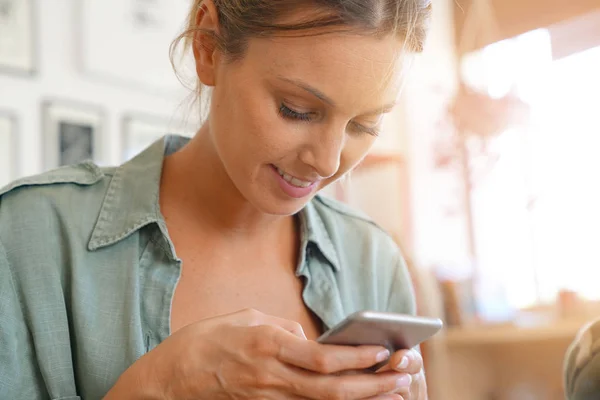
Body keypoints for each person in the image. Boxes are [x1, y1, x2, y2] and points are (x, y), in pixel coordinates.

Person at [0, 0, 432, 398]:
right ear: (208, 46)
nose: (327, 161)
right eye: (296, 109)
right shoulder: (28, 238)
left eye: (365, 124)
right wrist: (158, 385)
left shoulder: (374, 262)